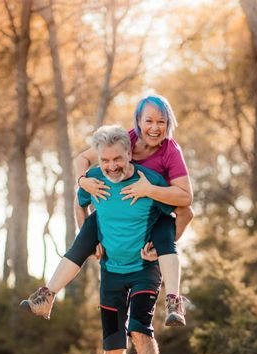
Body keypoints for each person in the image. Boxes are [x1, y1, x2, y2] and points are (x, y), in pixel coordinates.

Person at [20, 94, 194, 326]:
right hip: (114, 207)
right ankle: (47, 295)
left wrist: (149, 190)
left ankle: (174, 300)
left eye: (161, 122)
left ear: (168, 123)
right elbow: (83, 159)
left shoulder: (171, 151)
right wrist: (83, 180)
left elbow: (186, 200)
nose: (154, 127)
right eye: (148, 121)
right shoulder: (124, 140)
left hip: (154, 209)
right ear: (138, 122)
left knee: (164, 236)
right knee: (83, 239)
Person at [77, 125, 179, 354]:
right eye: (105, 161)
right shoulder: (93, 179)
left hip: (145, 269)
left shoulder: (151, 181)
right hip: (110, 270)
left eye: (117, 159)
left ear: (129, 153)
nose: (111, 166)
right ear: (98, 159)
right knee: (111, 337)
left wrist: (163, 246)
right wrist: (88, 237)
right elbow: (79, 203)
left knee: (138, 326)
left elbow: (180, 210)